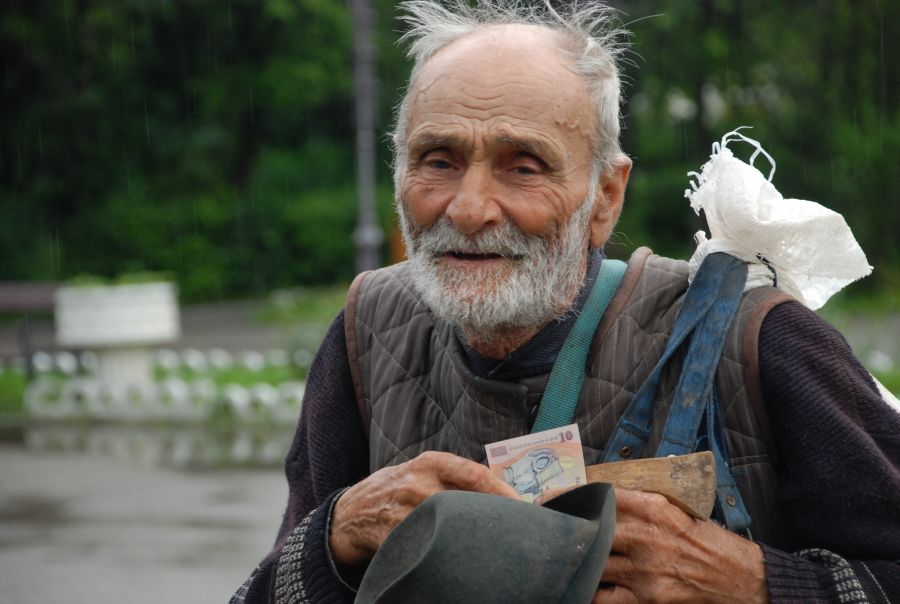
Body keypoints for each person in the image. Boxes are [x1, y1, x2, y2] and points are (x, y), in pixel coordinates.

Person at [232, 1, 900, 602]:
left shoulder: (754, 340)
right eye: (437, 159)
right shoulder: (366, 331)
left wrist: (754, 583)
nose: (467, 209)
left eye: (524, 165)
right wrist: (337, 537)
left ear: (606, 194)